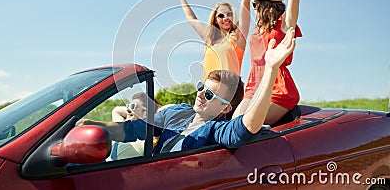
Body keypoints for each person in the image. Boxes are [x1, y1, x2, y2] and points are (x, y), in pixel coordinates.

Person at [78, 28, 296, 155]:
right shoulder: (177, 113)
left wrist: (270, 70)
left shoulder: (215, 130)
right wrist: (93, 126)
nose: (200, 94)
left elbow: (247, 126)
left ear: (225, 107)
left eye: (209, 95)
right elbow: (133, 130)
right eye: (202, 88)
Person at [233, 0, 318, 125]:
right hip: (255, 85)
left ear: (265, 5)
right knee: (234, 124)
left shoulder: (286, 23)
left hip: (278, 89)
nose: (252, 5)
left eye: (256, 3)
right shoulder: (259, 24)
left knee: (247, 126)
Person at [108, 92, 149, 160]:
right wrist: (133, 111)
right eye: (128, 106)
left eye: (133, 106)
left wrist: (141, 116)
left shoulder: (147, 137)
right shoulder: (122, 126)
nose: (128, 109)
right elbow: (116, 110)